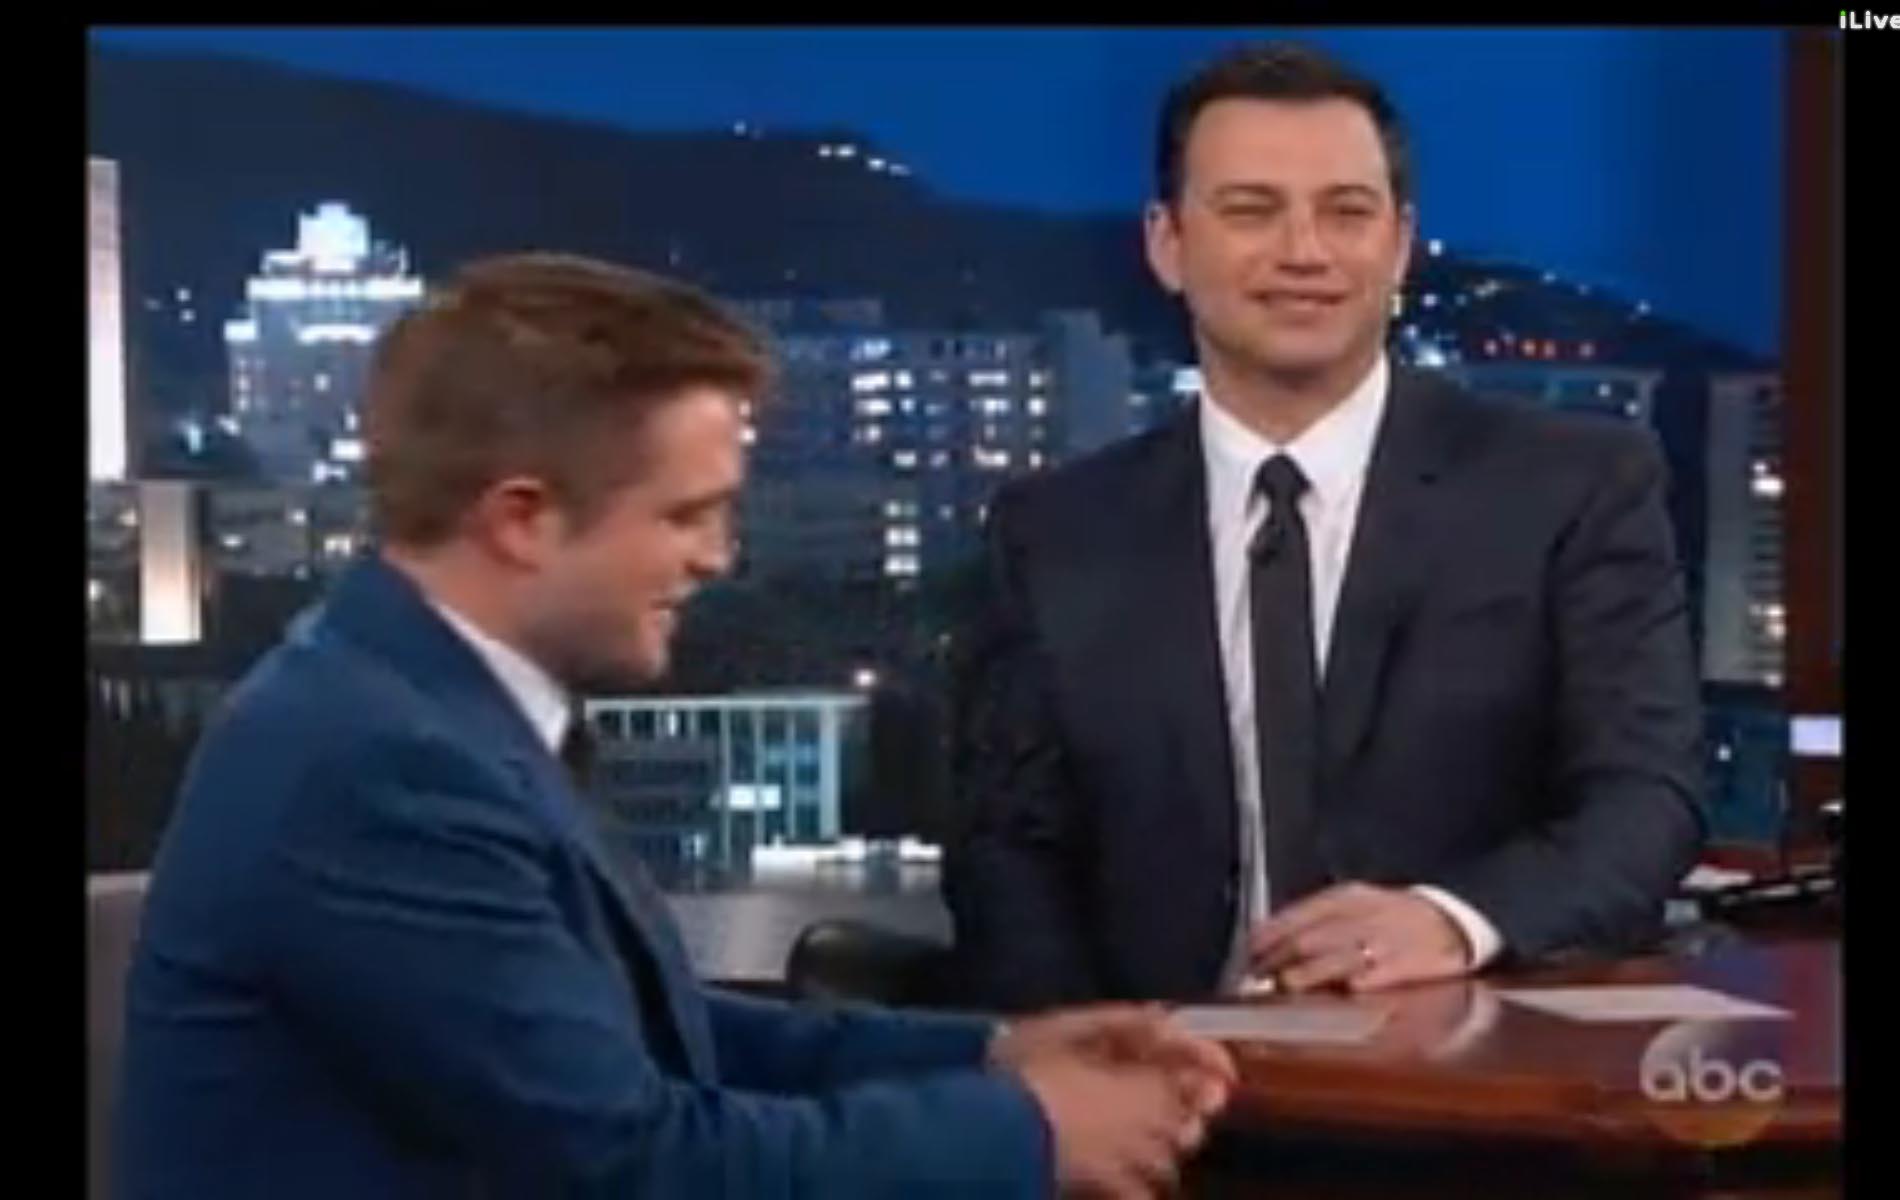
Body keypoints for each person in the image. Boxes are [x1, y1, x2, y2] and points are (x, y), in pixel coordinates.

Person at [113, 253, 1234, 1198]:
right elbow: (640, 1167)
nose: (719, 557)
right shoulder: (377, 766)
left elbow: (656, 1044)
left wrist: (993, 1054)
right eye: (688, 515)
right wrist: (1029, 1134)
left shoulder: (424, 704)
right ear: (522, 519)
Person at [944, 42, 1704, 1011]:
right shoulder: (1055, 532)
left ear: (1400, 242)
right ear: (1167, 243)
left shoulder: (1573, 488)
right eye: (1251, 210)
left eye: (1347, 212)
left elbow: (1644, 801)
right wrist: (1093, 1051)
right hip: (1160, 1064)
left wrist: (1452, 920)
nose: (1304, 252)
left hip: (1466, 1065)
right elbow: (1007, 853)